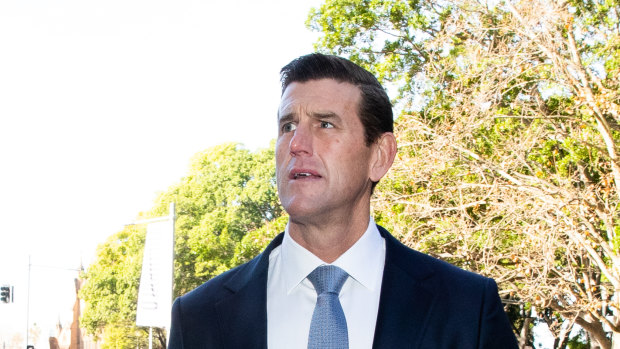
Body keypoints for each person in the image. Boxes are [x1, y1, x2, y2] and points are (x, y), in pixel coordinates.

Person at [168, 53, 518, 349]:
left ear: (379, 156)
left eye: (325, 125)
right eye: (288, 126)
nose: (297, 144)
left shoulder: (466, 308)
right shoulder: (198, 316)